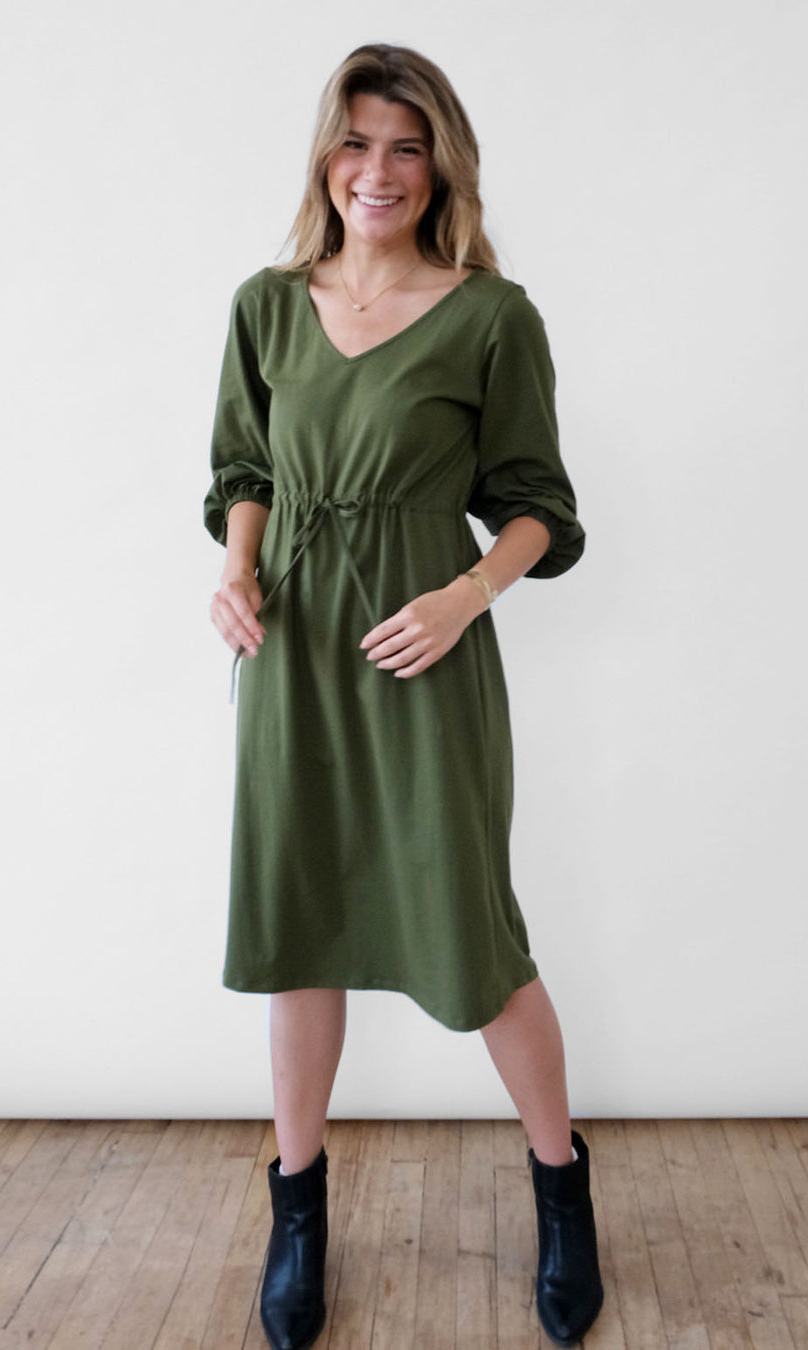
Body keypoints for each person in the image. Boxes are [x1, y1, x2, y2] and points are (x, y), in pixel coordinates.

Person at [205, 42, 603, 1350]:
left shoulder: (492, 317)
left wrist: (462, 596)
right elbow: (245, 468)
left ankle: (562, 1188)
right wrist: (238, 572)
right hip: (295, 657)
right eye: (358, 142)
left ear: (442, 168)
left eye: (408, 147)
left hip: (424, 660)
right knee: (298, 926)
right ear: (328, 155)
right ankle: (298, 1212)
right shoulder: (267, 305)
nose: (378, 171)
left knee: (473, 935)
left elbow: (539, 506)